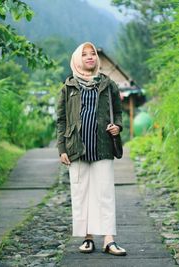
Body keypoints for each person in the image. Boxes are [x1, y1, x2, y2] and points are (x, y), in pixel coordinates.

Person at [56, 42, 127, 256]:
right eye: (84, 54)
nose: (90, 57)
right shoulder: (67, 87)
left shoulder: (108, 84)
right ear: (77, 60)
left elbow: (118, 113)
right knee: (81, 193)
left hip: (102, 147)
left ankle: (108, 239)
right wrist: (62, 148)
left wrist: (118, 127)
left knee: (104, 193)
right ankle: (87, 238)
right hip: (76, 148)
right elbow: (61, 120)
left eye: (93, 54)